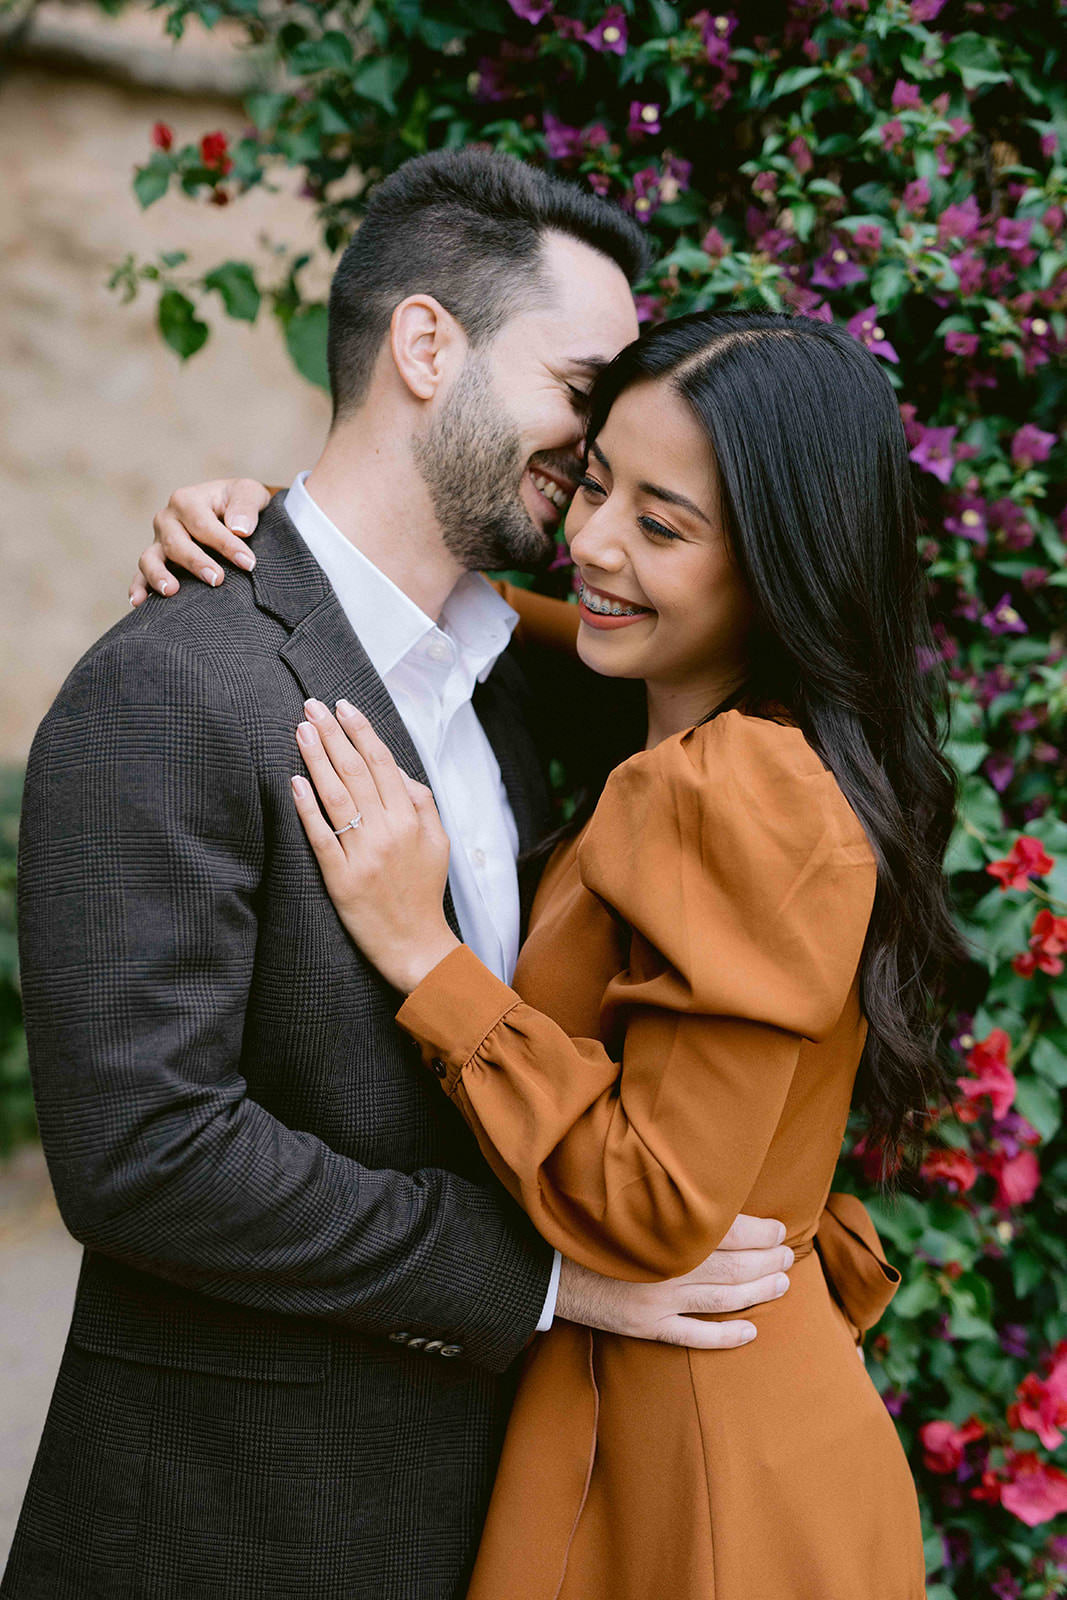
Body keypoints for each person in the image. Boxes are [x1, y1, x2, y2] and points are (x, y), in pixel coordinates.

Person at [4, 153, 880, 1600]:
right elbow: (147, 1153)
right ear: (428, 346)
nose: (595, 466)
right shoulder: (168, 686)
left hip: (503, 1513)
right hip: (247, 1531)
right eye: (581, 391)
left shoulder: (559, 686)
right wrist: (540, 1282)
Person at [145, 310, 958, 1598]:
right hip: (696, 1413)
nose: (590, 544)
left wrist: (426, 957)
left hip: (689, 1472)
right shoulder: (724, 732)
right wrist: (291, 545)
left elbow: (653, 1209)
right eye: (595, 482)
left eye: (663, 524)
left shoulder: (732, 792)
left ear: (783, 572)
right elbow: (514, 613)